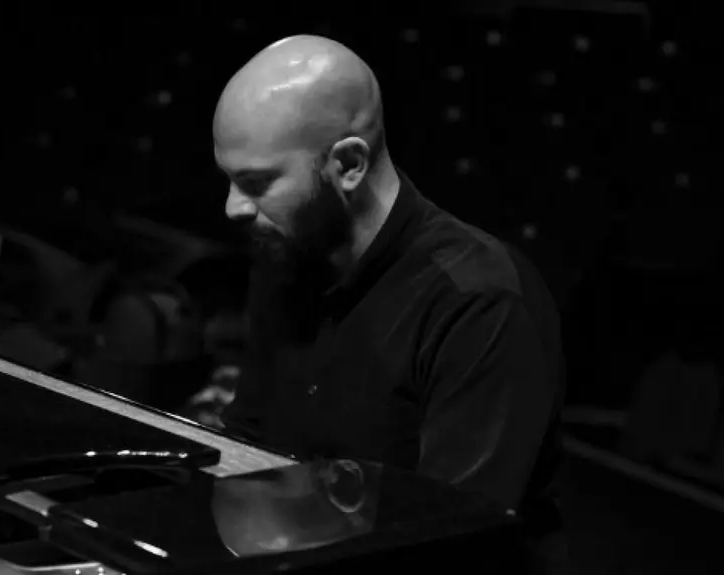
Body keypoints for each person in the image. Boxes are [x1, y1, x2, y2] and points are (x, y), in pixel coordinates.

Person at [213, 35, 568, 572]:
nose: (233, 208)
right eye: (228, 179)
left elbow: (448, 540)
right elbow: (250, 449)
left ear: (349, 164)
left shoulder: (479, 301)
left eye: (256, 182)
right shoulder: (286, 255)